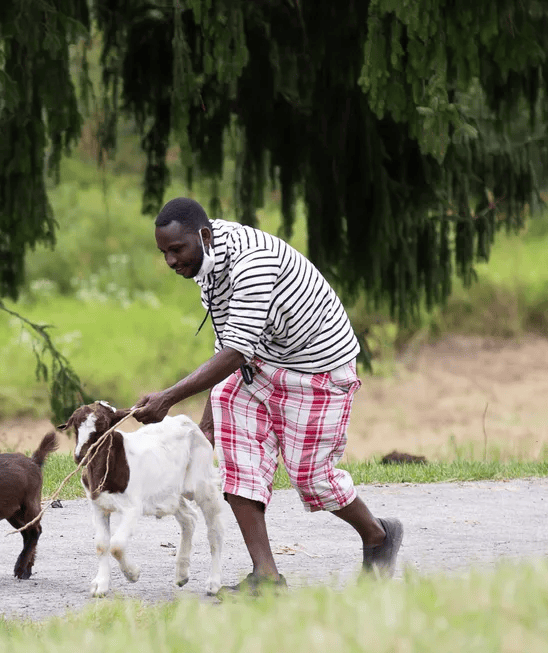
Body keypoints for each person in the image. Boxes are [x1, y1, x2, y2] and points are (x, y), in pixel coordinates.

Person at [133, 197, 403, 593]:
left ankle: (379, 535)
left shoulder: (252, 262)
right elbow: (228, 343)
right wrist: (207, 426)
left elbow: (237, 349)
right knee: (239, 466)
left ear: (204, 236)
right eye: (164, 253)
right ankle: (267, 576)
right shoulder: (207, 264)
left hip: (318, 369)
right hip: (260, 364)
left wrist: (168, 397)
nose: (171, 261)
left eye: (177, 250)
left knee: (313, 479)